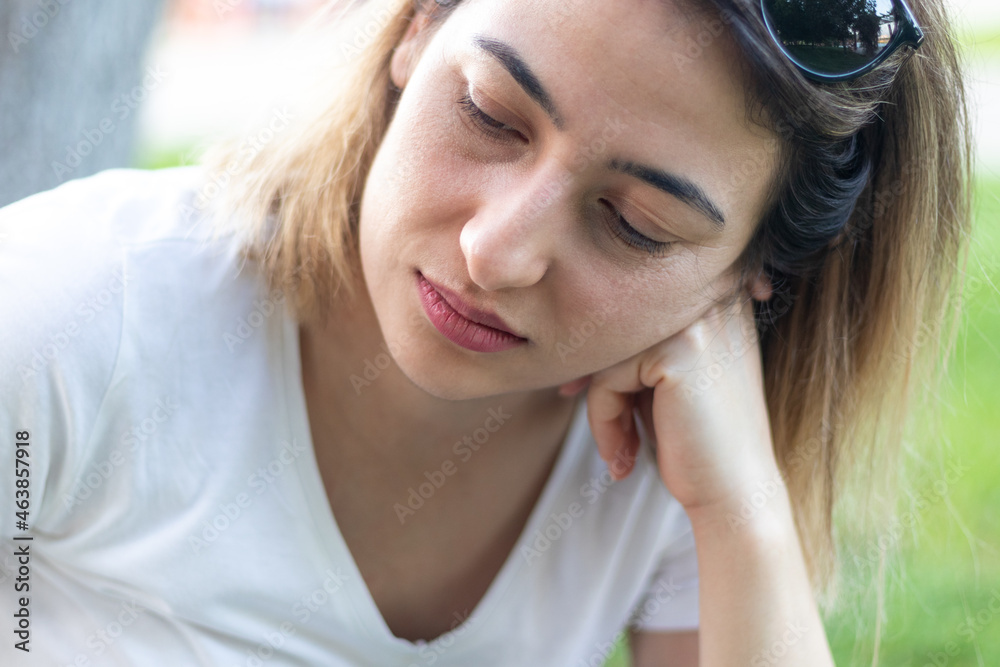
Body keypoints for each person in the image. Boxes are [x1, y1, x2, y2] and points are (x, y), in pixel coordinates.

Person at [0, 0, 972, 665]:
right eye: (489, 114)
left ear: (754, 273)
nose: (495, 250)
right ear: (420, 27)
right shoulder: (67, 312)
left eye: (633, 223)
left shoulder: (680, 448)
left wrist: (744, 513)